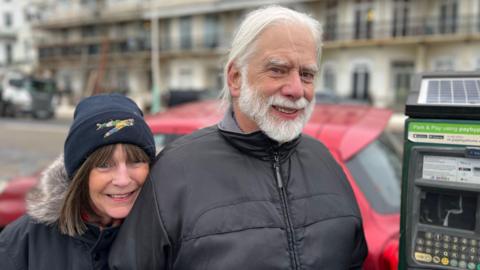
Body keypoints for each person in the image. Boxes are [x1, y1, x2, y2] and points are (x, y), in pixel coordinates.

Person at [109, 5, 368, 270]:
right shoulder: (176, 170)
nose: (296, 89)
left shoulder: (325, 161)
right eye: (277, 70)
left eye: (307, 74)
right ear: (235, 78)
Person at [0, 93, 156, 270]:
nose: (123, 180)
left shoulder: (165, 235)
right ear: (79, 173)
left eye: (135, 161)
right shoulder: (22, 244)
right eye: (104, 164)